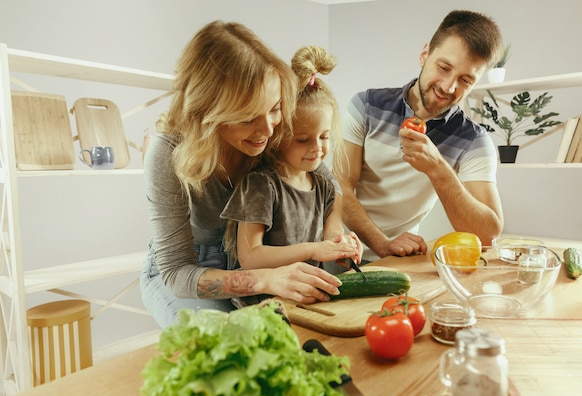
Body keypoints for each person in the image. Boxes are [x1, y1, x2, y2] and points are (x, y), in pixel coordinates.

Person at [140, 21, 346, 329]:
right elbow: (177, 273)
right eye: (248, 116)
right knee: (223, 349)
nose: (268, 130)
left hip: (261, 269)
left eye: (275, 108)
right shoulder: (167, 153)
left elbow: (327, 181)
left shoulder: (271, 132)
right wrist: (267, 279)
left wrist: (347, 235)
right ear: (208, 109)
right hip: (191, 273)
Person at [339, 10, 505, 262]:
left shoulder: (473, 140)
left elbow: (488, 235)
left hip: (400, 261)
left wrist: (438, 168)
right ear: (424, 54)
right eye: (444, 67)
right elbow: (341, 189)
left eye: (465, 80)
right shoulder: (366, 105)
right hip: (337, 251)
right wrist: (383, 244)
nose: (448, 87)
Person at [221, 46, 362, 271]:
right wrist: (313, 249)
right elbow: (250, 257)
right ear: (277, 137)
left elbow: (332, 236)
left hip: (304, 294)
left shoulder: (324, 187)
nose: (317, 148)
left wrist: (343, 247)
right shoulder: (260, 186)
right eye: (303, 140)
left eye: (324, 137)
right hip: (265, 299)